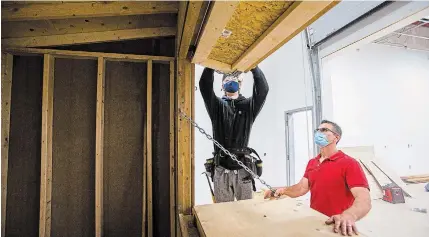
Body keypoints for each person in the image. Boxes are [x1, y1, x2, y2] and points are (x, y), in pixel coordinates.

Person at [264, 120, 371, 236]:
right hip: (315, 222)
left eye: (324, 130)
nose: (319, 133)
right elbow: (301, 188)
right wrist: (283, 190)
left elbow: (364, 200)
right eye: (317, 130)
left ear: (336, 137)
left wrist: (349, 215)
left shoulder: (349, 163)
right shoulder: (312, 162)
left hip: (336, 225)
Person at [200, 66, 269, 203]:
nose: (231, 81)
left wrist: (254, 68)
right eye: (227, 78)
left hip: (242, 169)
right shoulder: (216, 106)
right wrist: (211, 66)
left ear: (240, 85)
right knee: (224, 213)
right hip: (221, 169)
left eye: (235, 79)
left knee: (246, 211)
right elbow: (204, 86)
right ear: (222, 85)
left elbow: (262, 90)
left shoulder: (249, 106)